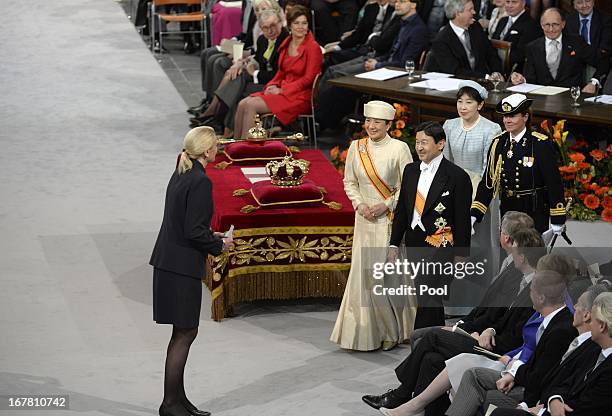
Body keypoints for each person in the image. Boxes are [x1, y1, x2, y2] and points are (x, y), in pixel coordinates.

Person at [361, 230, 548, 414]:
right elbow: (500, 317)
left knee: (432, 337)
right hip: (486, 337)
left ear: (522, 257)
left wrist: (488, 336)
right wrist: (489, 329)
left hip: (495, 350)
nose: (511, 255)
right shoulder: (519, 279)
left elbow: (518, 336)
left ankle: (401, 394)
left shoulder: (535, 291)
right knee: (431, 359)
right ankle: (422, 409)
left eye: (514, 250)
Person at [379, 253, 588, 416]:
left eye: (533, 287)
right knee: (431, 356)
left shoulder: (560, 325)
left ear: (542, 294)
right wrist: (488, 330)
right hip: (504, 352)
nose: (528, 290)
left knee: (435, 342)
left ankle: (407, 398)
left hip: (504, 357)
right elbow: (525, 343)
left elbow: (537, 366)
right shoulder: (549, 311)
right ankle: (415, 404)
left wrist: (511, 367)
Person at [150, 127, 233, 416]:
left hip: (169, 261)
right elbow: (194, 231)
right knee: (185, 332)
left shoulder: (182, 170)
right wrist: (219, 245)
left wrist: (212, 235)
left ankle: (178, 400)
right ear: (209, 151)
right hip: (180, 267)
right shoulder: (200, 181)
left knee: (182, 332)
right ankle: (170, 404)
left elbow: (187, 222)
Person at [330, 100, 416, 352]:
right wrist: (359, 205)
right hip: (364, 219)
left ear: (389, 124)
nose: (371, 126)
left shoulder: (400, 148)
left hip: (388, 221)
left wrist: (386, 204)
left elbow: (407, 186)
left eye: (377, 122)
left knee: (386, 277)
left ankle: (393, 331)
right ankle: (363, 331)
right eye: (368, 121)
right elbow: (349, 183)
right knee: (363, 275)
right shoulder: (357, 147)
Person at [444, 268, 577, 416]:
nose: (529, 295)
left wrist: (514, 368)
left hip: (533, 392)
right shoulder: (553, 320)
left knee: (480, 390)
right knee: (472, 374)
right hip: (520, 375)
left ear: (541, 298)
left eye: (531, 291)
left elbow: (540, 377)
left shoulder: (560, 331)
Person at [389, 121, 472, 329]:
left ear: (440, 144)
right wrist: (393, 244)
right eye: (417, 142)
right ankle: (433, 340)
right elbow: (402, 211)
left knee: (429, 293)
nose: (419, 147)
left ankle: (422, 338)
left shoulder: (457, 176)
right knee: (428, 297)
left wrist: (462, 254)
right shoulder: (410, 170)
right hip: (414, 242)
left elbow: (462, 218)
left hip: (441, 245)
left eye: (424, 142)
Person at [489, 284, 608, 416]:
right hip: (540, 398)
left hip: (538, 400)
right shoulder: (583, 344)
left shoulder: (584, 345)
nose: (573, 307)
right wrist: (554, 399)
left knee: (492, 403)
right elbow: (562, 382)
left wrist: (540, 409)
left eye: (578, 304)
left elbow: (580, 399)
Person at [470, 93, 566, 235]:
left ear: (525, 117)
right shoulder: (499, 142)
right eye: (505, 116)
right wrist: (475, 213)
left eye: (512, 116)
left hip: (533, 210)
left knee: (532, 253)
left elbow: (553, 183)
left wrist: (558, 218)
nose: (507, 120)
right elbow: (488, 182)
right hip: (508, 209)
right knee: (508, 252)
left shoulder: (539, 144)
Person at [190, 9, 289, 134]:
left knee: (238, 83)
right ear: (261, 28)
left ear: (281, 22)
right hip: (262, 80)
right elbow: (257, 58)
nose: (270, 31)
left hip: (274, 85)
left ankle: (216, 115)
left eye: (273, 25)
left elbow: (278, 74)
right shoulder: (263, 40)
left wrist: (254, 73)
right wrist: (241, 63)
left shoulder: (286, 40)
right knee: (236, 77)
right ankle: (221, 122)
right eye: (265, 28)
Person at [233, 4, 322, 140]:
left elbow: (308, 79)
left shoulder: (313, 48)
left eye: (304, 23)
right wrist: (271, 86)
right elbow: (280, 72)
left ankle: (247, 149)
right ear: (290, 26)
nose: (300, 27)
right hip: (283, 92)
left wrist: (282, 90)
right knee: (242, 103)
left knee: (251, 105)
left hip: (300, 96)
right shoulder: (287, 43)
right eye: (296, 23)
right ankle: (236, 145)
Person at [443, 81, 502, 269]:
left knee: (481, 238)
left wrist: (475, 193)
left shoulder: (491, 129)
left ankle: (485, 279)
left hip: (481, 192)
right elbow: (445, 162)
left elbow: (489, 169)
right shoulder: (449, 125)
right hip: (454, 188)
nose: (463, 107)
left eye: (469, 102)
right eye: (460, 101)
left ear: (480, 105)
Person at [509, 8, 606, 91]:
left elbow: (603, 62)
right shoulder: (532, 47)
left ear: (563, 24)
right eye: (547, 25)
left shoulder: (576, 43)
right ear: (541, 25)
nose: (551, 29)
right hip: (542, 99)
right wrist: (522, 80)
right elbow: (531, 78)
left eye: (555, 24)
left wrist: (594, 83)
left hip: (570, 98)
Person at [426, 0, 504, 78]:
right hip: (460, 85)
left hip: (486, 84)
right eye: (470, 9)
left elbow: (491, 54)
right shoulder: (441, 40)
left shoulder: (476, 27)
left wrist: (496, 72)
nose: (474, 12)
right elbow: (455, 71)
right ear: (458, 13)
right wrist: (485, 77)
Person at [323, 0, 395, 67]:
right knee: (333, 54)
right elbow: (359, 33)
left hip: (378, 53)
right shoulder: (371, 8)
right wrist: (338, 47)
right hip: (363, 47)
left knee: (333, 70)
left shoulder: (394, 11)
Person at [491, 0, 542, 73]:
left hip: (515, 74)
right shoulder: (502, 21)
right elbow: (492, 44)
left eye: (514, 2)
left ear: (523, 3)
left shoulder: (531, 25)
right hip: (495, 69)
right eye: (507, 2)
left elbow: (522, 55)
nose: (510, 5)